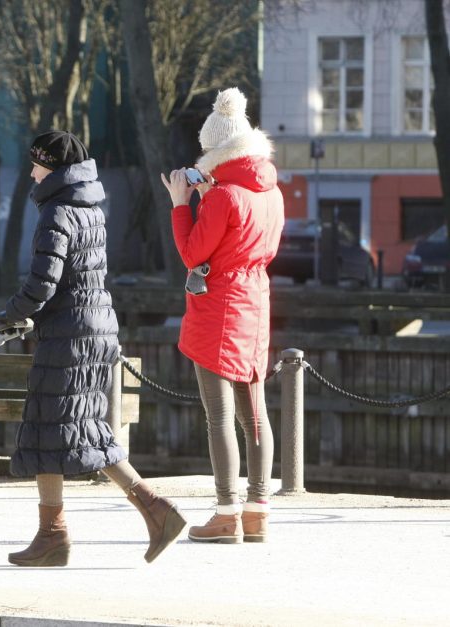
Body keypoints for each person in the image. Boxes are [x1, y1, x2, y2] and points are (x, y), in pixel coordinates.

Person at [0, 130, 186, 567]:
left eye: (38, 164)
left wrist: (10, 314)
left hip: (68, 334)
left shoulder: (57, 213)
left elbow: (44, 282)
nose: (32, 171)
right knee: (81, 428)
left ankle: (54, 536)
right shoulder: (91, 209)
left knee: (51, 428)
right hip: (96, 328)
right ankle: (153, 511)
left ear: (55, 168)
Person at [160, 87, 284, 543]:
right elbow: (254, 246)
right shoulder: (270, 193)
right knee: (255, 416)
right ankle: (257, 512)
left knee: (218, 417)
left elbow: (194, 254)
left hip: (219, 307)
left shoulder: (222, 196)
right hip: (255, 302)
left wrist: (180, 202)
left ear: (216, 151)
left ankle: (226, 512)